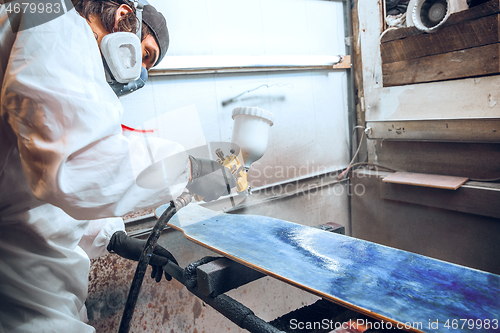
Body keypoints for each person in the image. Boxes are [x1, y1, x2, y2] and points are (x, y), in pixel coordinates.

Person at [0, 1, 234, 332]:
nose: (140, 71)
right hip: (21, 302)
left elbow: (32, 188)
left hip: (38, 287)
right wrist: (189, 168)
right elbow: (76, 170)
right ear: (125, 16)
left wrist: (114, 238)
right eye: (146, 55)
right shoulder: (55, 20)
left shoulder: (71, 55)